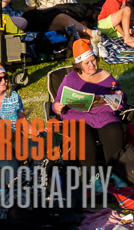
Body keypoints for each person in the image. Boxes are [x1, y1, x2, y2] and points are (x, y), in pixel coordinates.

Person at [52, 39, 126, 174]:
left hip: (103, 116)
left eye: (93, 60)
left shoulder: (106, 76)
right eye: (87, 63)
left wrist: (119, 96)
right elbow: (57, 102)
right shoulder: (70, 79)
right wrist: (57, 106)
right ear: (79, 65)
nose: (92, 65)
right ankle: (92, 176)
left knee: (114, 132)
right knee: (83, 139)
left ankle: (114, 174)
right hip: (77, 117)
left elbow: (121, 100)